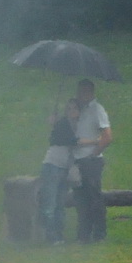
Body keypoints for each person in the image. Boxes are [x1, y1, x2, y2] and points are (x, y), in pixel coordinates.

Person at [71, 79, 112, 243]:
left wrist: (94, 154)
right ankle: (84, 233)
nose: (80, 95)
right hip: (77, 160)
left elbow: (107, 136)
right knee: (80, 199)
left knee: (94, 197)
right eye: (79, 91)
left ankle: (99, 233)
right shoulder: (79, 110)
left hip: (91, 161)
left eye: (83, 92)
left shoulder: (97, 109)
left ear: (90, 92)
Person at [38, 99, 81, 244]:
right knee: (50, 203)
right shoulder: (62, 124)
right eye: (68, 109)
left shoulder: (79, 126)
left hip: (65, 168)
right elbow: (70, 140)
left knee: (60, 204)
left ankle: (59, 235)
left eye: (74, 108)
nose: (71, 111)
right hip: (53, 166)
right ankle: (50, 235)